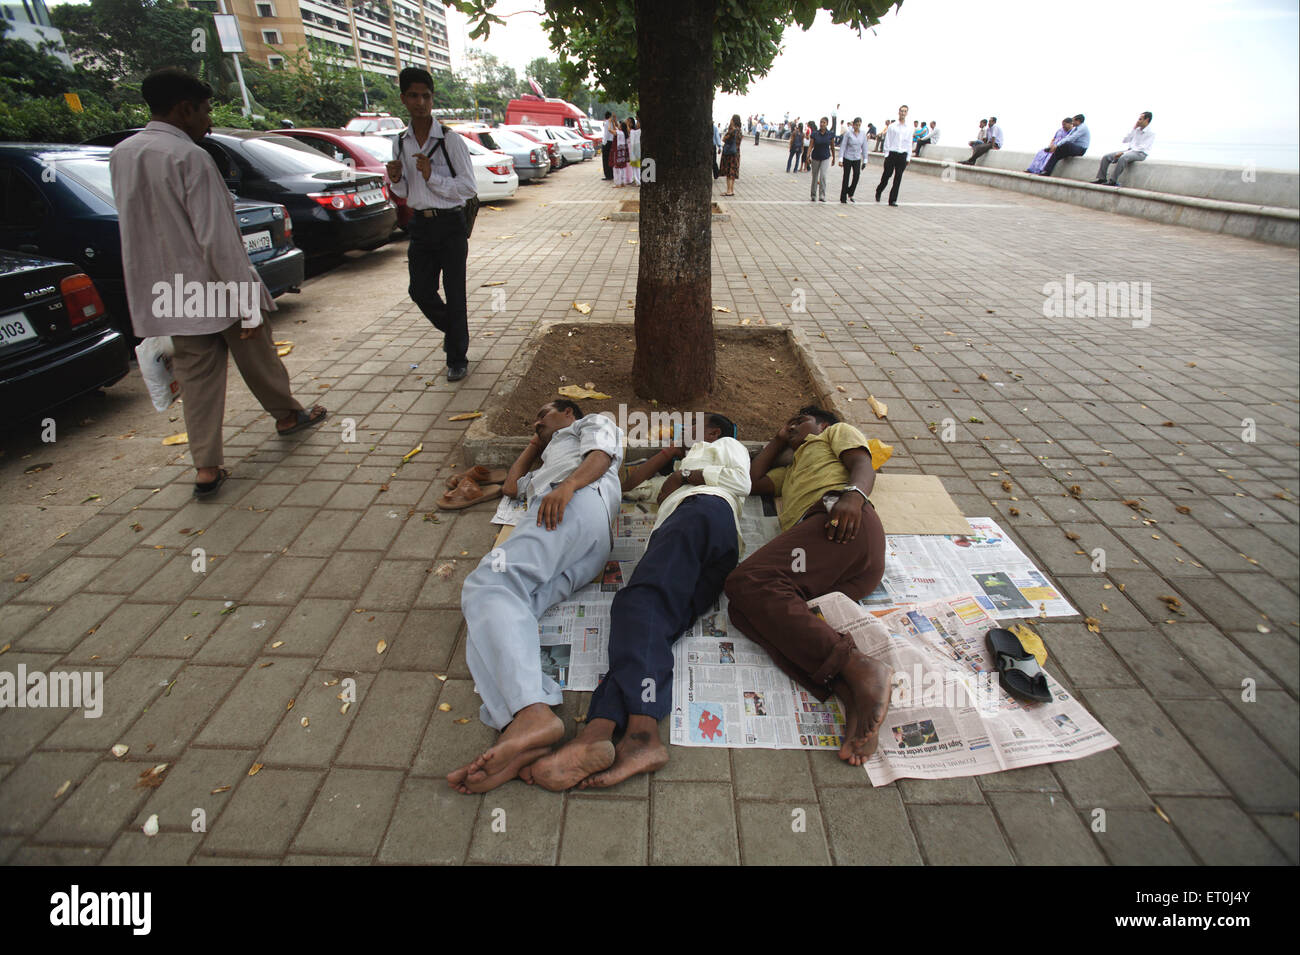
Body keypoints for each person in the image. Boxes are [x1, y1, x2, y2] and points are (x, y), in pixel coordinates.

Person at [110, 68, 326, 500]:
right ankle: (287, 416)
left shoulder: (123, 153)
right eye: (206, 111)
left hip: (168, 290)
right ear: (184, 108)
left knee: (196, 380)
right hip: (215, 285)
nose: (209, 121)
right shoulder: (190, 157)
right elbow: (217, 238)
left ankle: (206, 467)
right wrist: (246, 302)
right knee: (257, 355)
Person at [526, 415, 750, 790]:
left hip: (701, 515)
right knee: (654, 629)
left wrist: (685, 477)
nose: (684, 432)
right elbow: (633, 488)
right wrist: (668, 463)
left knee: (637, 604)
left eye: (692, 429)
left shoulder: (721, 448)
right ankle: (602, 727)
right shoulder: (684, 465)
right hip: (710, 544)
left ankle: (644, 732)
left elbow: (739, 481)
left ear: (713, 433)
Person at [448, 400, 625, 794]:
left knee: (489, 585)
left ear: (569, 412)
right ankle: (518, 729)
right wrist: (536, 443)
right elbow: (512, 487)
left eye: (542, 413)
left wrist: (568, 486)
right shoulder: (552, 457)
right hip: (586, 544)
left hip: (575, 506)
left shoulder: (593, 424)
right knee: (508, 609)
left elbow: (601, 454)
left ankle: (531, 711)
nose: (535, 420)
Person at [724, 407, 891, 766]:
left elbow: (863, 464)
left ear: (823, 425)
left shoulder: (833, 434)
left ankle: (861, 667)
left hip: (841, 523)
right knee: (742, 609)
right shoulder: (793, 468)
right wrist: (778, 440)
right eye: (791, 421)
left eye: (802, 420)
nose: (794, 425)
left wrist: (853, 497)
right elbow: (751, 482)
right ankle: (847, 690)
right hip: (835, 568)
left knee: (746, 579)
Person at [387, 67, 478, 383]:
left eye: (425, 96)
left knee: (455, 293)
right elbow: (403, 193)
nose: (420, 102)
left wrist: (431, 176)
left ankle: (457, 356)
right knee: (420, 291)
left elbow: (468, 188)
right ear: (403, 99)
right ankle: (455, 331)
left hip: (451, 225)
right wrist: (396, 179)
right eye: (413, 95)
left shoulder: (450, 141)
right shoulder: (401, 142)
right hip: (421, 227)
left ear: (432, 98)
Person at [1092, 112, 1154, 185]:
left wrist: (1124, 153)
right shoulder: (1137, 129)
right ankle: (1102, 178)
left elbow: (1142, 147)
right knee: (1106, 157)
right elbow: (1125, 140)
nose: (1138, 121)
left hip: (1140, 153)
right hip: (1130, 151)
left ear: (1147, 120)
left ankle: (1113, 181)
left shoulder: (1151, 132)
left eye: (1140, 119)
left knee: (1123, 158)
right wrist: (1133, 129)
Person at [875, 104, 911, 206]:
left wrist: (908, 157)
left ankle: (892, 200)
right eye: (901, 111)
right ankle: (879, 190)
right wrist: (886, 154)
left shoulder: (909, 128)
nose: (903, 113)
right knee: (887, 175)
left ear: (907, 113)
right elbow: (888, 141)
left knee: (898, 178)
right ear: (898, 112)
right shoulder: (892, 126)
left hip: (902, 155)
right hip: (892, 154)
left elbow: (909, 143)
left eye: (905, 111)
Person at [838, 117, 869, 203]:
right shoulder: (848, 133)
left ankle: (850, 192)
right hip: (848, 157)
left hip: (857, 158)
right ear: (853, 124)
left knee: (856, 176)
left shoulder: (863, 134)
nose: (857, 126)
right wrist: (840, 159)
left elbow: (865, 147)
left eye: (859, 125)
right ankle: (843, 197)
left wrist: (865, 160)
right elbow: (843, 146)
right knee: (846, 177)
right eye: (856, 125)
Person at [807, 116, 837, 202]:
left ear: (827, 124)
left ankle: (822, 195)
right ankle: (813, 195)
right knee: (815, 177)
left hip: (825, 157)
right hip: (815, 157)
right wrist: (808, 155)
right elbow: (811, 145)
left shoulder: (830, 134)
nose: (822, 124)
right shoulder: (815, 134)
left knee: (823, 176)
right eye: (821, 122)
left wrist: (834, 158)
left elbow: (832, 146)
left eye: (824, 122)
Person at [720, 114, 741, 196]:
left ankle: (728, 190)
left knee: (729, 172)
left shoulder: (732, 130)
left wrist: (729, 127)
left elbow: (724, 139)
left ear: (733, 120)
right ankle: (732, 190)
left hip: (730, 154)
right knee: (733, 172)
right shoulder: (739, 130)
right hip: (737, 152)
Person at [612, 118, 629, 187]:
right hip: (623, 151)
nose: (618, 126)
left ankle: (617, 183)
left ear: (621, 127)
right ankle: (623, 182)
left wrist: (610, 122)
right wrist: (614, 121)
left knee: (617, 167)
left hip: (618, 151)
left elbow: (610, 130)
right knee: (623, 167)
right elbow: (615, 127)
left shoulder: (619, 132)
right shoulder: (624, 133)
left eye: (619, 125)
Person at [601, 110, 614, 180]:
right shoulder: (612, 123)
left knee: (605, 160)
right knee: (610, 159)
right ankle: (611, 174)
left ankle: (607, 175)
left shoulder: (606, 123)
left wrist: (604, 143)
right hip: (611, 142)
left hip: (606, 142)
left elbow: (606, 134)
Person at [629, 117, 642, 186]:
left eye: (638, 123)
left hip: (636, 149)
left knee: (636, 166)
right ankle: (637, 180)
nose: (637, 124)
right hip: (636, 149)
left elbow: (631, 132)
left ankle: (638, 181)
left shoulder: (638, 131)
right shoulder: (636, 131)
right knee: (636, 166)